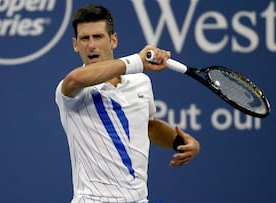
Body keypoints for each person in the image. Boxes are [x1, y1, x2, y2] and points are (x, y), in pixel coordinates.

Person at [55, 4, 200, 203]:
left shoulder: (141, 82)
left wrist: (181, 143)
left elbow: (148, 126)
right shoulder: (72, 90)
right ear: (75, 44)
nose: (91, 45)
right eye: (84, 38)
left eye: (98, 37)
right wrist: (137, 61)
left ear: (113, 40)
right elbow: (75, 79)